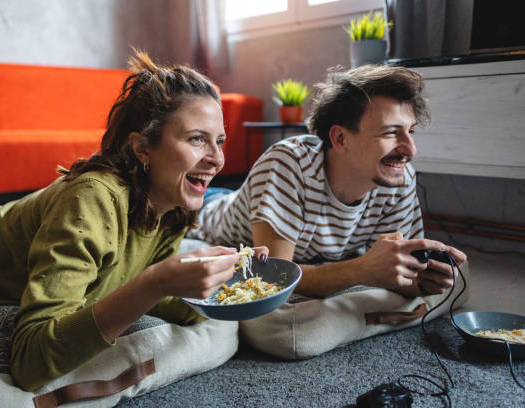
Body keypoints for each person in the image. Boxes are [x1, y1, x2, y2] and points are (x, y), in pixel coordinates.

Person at [0, 51, 267, 392]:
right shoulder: (91, 202)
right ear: (143, 148)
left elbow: (136, 283)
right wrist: (154, 283)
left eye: (219, 141)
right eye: (197, 139)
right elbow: (30, 363)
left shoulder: (173, 204)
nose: (218, 159)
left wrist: (229, 276)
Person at [189, 64, 467, 300]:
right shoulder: (288, 163)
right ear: (340, 139)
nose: (410, 149)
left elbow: (396, 270)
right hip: (207, 211)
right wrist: (363, 270)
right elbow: (274, 275)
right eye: (390, 133)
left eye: (411, 132)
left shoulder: (398, 177)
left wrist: (421, 279)